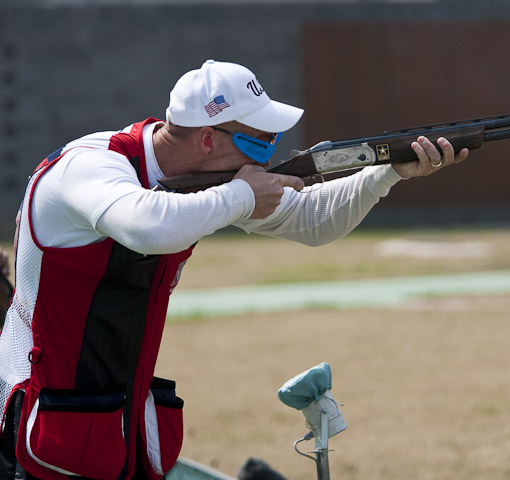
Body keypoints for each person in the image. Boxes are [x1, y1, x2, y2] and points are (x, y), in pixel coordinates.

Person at [0, 59, 468, 480]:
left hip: (110, 427)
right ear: (208, 139)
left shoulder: (207, 188)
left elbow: (312, 220)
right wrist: (241, 195)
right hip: (36, 427)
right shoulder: (89, 166)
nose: (266, 156)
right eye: (259, 142)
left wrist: (388, 172)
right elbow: (147, 227)